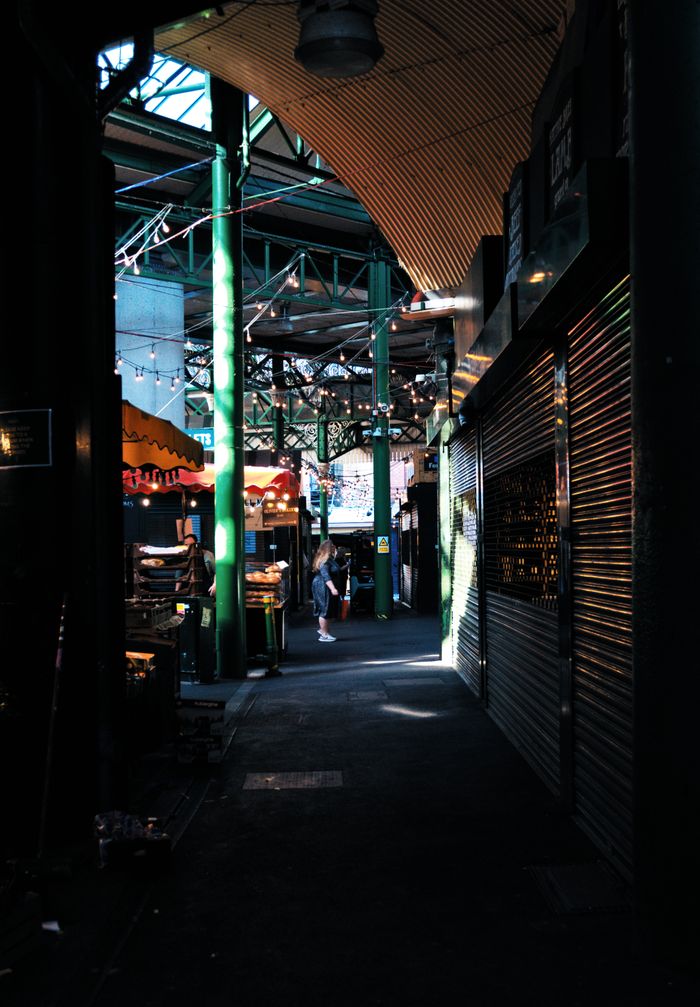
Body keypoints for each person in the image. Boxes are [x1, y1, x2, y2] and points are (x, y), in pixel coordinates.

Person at [311, 539, 342, 642]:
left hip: (325, 585)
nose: (334, 547)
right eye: (332, 546)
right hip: (322, 586)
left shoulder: (329, 559)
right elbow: (326, 576)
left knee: (328, 609)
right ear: (328, 548)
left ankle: (324, 631)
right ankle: (324, 634)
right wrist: (333, 588)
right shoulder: (324, 561)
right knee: (325, 609)